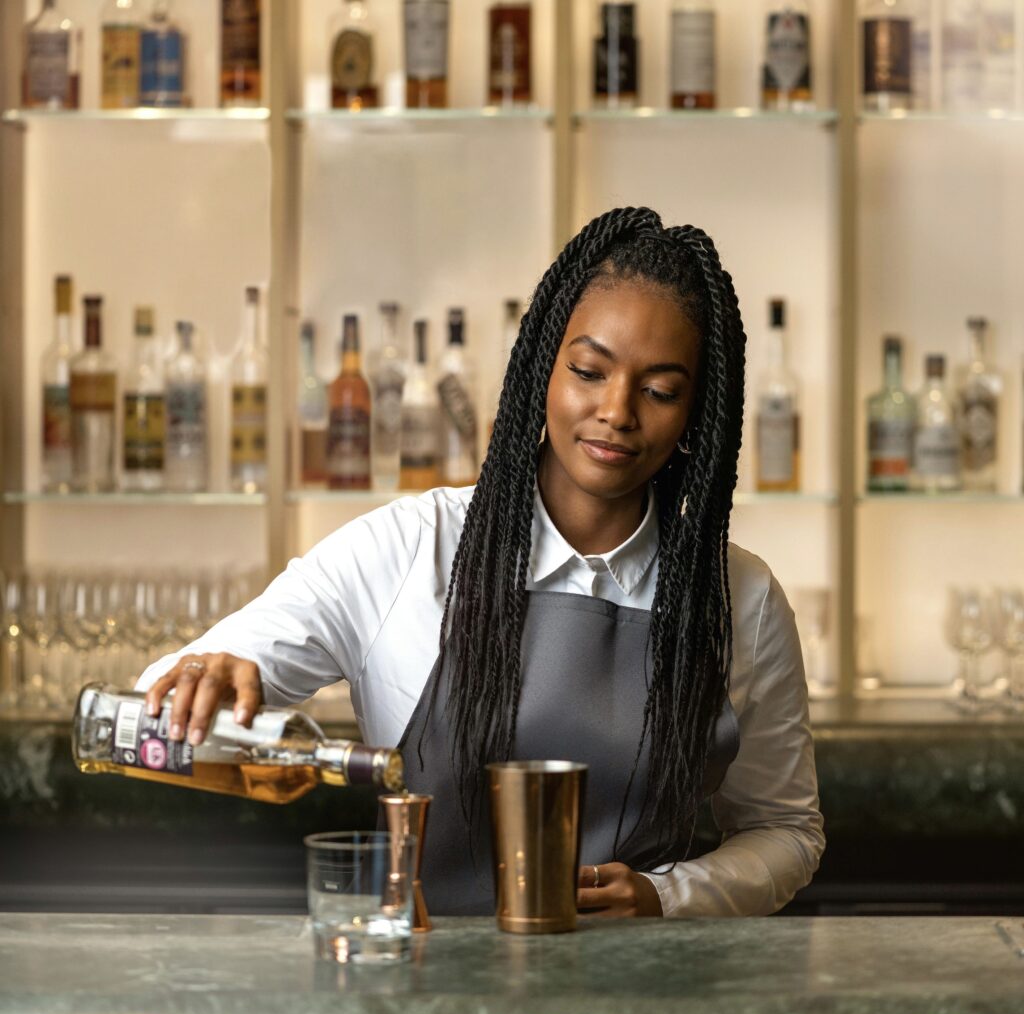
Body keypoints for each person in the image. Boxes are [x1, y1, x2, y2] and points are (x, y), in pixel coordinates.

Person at [137, 206, 825, 918]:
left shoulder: (739, 598)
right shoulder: (409, 546)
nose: (616, 410)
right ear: (540, 372)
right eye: (589, 371)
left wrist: (668, 896)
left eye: (659, 391)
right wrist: (207, 674)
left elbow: (787, 831)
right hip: (420, 990)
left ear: (697, 414)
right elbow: (160, 706)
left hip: (642, 994)